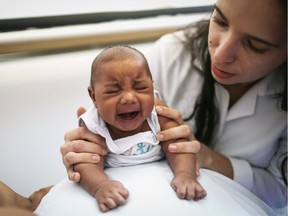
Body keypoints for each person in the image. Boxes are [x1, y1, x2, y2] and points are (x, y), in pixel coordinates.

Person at [61, 0, 287, 212]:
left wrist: (199, 163)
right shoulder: (172, 53)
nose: (220, 54)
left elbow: (280, 193)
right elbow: (87, 164)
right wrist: (85, 162)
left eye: (255, 45)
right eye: (219, 21)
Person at [74, 45, 206, 212]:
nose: (129, 98)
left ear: (152, 87)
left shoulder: (157, 112)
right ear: (93, 96)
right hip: (118, 183)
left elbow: (178, 145)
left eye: (140, 88)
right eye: (114, 91)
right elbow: (87, 163)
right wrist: (101, 186)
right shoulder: (94, 124)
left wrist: (185, 174)